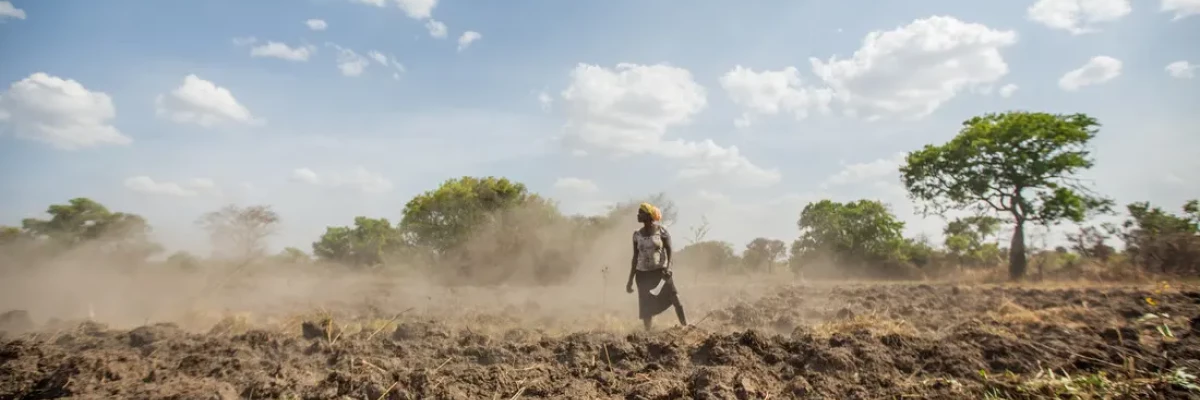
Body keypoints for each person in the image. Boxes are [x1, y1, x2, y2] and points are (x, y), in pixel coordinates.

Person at [625, 202, 687, 330]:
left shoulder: (662, 231)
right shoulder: (636, 234)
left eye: (641, 212)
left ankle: (686, 327)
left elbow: (670, 251)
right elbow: (635, 257)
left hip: (661, 272)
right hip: (643, 274)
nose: (638, 215)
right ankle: (648, 334)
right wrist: (630, 280)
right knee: (646, 304)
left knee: (675, 298)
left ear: (648, 216)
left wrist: (668, 267)